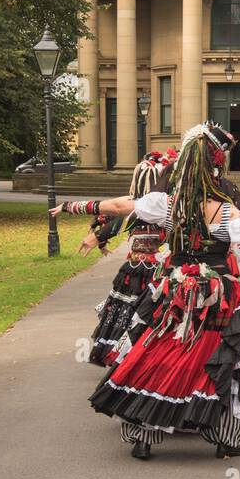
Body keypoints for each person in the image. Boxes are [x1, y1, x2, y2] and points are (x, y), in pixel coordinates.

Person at [85, 123, 240, 460]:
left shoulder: (167, 205)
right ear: (215, 165)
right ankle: (225, 438)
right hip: (218, 294)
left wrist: (77, 207)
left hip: (175, 289)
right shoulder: (225, 210)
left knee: (161, 353)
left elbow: (123, 206)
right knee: (223, 359)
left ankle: (144, 435)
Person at [59, 152, 176, 366]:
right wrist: (98, 236)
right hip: (159, 268)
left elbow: (115, 212)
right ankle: (147, 355)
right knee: (150, 312)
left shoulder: (146, 204)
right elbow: (116, 216)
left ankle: (132, 355)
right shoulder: (166, 203)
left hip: (138, 267)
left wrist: (73, 210)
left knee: (132, 310)